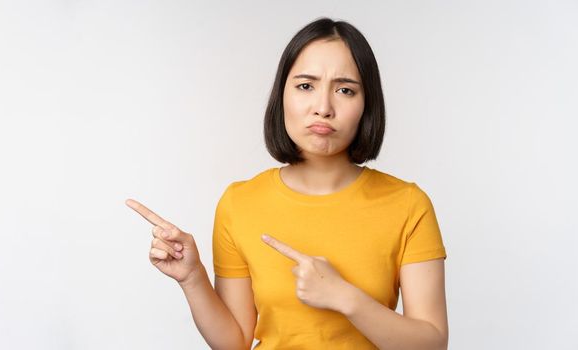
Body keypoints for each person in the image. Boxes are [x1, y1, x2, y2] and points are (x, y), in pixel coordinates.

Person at [126, 17, 448, 349]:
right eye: (306, 86)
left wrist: (345, 297)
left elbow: (432, 344)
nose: (323, 108)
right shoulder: (240, 203)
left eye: (345, 90)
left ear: (366, 105)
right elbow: (234, 342)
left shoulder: (407, 204)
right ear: (282, 95)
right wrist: (193, 279)